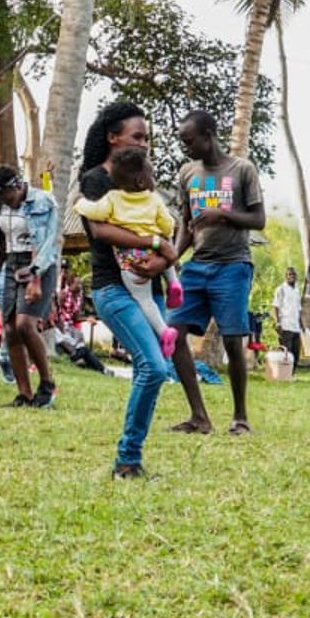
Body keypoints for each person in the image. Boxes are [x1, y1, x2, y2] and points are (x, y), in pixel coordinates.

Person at [79, 102, 197, 477]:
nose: (145, 144)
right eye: (137, 136)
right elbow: (100, 230)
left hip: (151, 287)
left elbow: (172, 226)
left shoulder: (141, 177)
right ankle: (127, 459)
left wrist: (165, 259)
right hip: (115, 289)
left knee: (158, 368)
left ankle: (132, 458)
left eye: (147, 138)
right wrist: (155, 244)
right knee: (152, 367)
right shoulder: (97, 180)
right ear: (113, 137)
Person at [170, 110, 267, 434]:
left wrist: (223, 213)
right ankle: (199, 416)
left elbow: (258, 220)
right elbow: (186, 224)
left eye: (189, 140)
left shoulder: (242, 169)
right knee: (172, 334)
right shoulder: (187, 173)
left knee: (232, 340)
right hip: (197, 266)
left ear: (209, 135)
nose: (185, 146)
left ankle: (240, 417)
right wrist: (172, 256)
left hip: (233, 265)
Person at [75, 147, 180, 357]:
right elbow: (168, 225)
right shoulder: (154, 199)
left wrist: (80, 204)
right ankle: (174, 283)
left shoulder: (113, 198)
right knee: (165, 247)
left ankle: (164, 331)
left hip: (132, 259)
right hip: (155, 250)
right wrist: (161, 236)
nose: (154, 181)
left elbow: (94, 211)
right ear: (141, 182)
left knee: (144, 299)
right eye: (152, 176)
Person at [0, 164, 60, 408]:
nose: (8, 202)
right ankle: (24, 393)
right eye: (2, 199)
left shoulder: (42, 201)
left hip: (38, 262)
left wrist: (36, 277)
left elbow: (48, 242)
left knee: (25, 324)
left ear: (17, 185)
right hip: (11, 263)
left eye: (10, 197)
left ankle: (47, 384)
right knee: (10, 330)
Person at [272, 268, 304, 370]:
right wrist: (277, 323)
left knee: (295, 352)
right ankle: (284, 373)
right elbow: (275, 307)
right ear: (286, 276)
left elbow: (299, 309)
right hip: (285, 325)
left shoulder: (297, 291)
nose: (292, 276)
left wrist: (302, 324)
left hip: (296, 327)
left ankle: (292, 374)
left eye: (294, 274)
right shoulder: (280, 289)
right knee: (287, 352)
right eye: (289, 274)